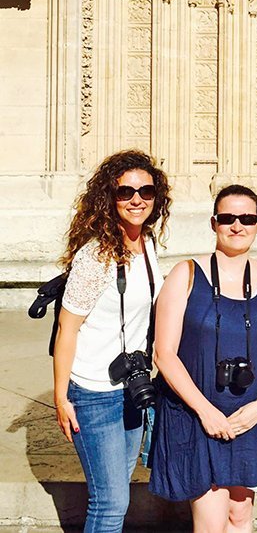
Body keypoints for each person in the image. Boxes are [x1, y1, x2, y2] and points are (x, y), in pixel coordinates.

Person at [149, 184, 257, 532]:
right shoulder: (185, 274)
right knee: (210, 521)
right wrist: (205, 411)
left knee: (240, 515)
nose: (237, 226)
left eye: (247, 218)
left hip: (252, 415)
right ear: (213, 223)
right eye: (227, 218)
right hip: (198, 414)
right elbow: (163, 353)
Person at [53, 149, 171, 533]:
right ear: (110, 197)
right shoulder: (95, 256)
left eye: (146, 191)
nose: (137, 200)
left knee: (117, 496)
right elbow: (66, 329)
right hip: (93, 392)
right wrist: (60, 396)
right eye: (126, 192)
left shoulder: (148, 244)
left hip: (131, 388)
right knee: (110, 502)